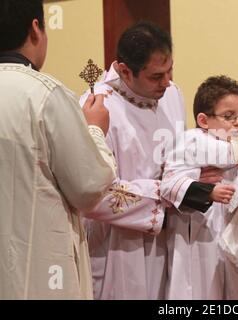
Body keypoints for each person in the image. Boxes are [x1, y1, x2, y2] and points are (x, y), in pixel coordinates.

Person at [79, 21, 224, 300]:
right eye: (157, 76)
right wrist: (170, 193)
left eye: (170, 70)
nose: (167, 82)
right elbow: (94, 192)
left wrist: (194, 174)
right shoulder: (96, 107)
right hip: (119, 247)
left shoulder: (172, 94)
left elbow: (177, 158)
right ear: (124, 70)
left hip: (170, 238)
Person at [0, 0, 116, 299]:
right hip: (37, 276)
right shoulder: (42, 93)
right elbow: (89, 187)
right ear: (36, 29)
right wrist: (95, 130)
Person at [161, 75, 238, 299]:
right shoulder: (190, 142)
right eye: (228, 116)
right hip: (198, 234)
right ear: (203, 120)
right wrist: (208, 192)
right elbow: (170, 184)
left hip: (228, 235)